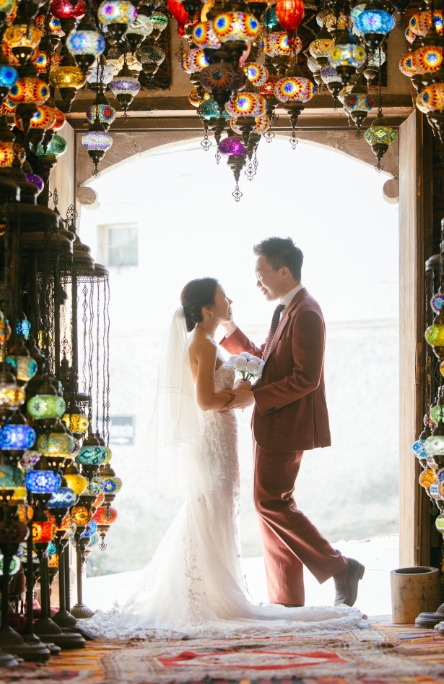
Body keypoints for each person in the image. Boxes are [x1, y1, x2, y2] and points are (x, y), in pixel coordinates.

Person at [78, 277, 365, 640]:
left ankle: (227, 592)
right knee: (221, 508)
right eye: (222, 296)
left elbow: (262, 361)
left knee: (223, 510)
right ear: (207, 308)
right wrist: (244, 392)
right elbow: (206, 401)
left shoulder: (215, 339)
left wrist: (244, 380)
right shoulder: (203, 344)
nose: (232, 297)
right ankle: (212, 595)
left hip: (223, 437)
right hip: (215, 438)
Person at [222, 237, 365, 609]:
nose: (258, 283)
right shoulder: (287, 309)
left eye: (261, 274)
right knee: (269, 507)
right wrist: (228, 328)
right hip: (270, 423)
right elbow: (263, 361)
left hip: (285, 423)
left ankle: (341, 567)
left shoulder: (306, 312)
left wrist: (253, 396)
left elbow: (306, 378)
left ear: (284, 271)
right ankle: (286, 603)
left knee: (271, 502)